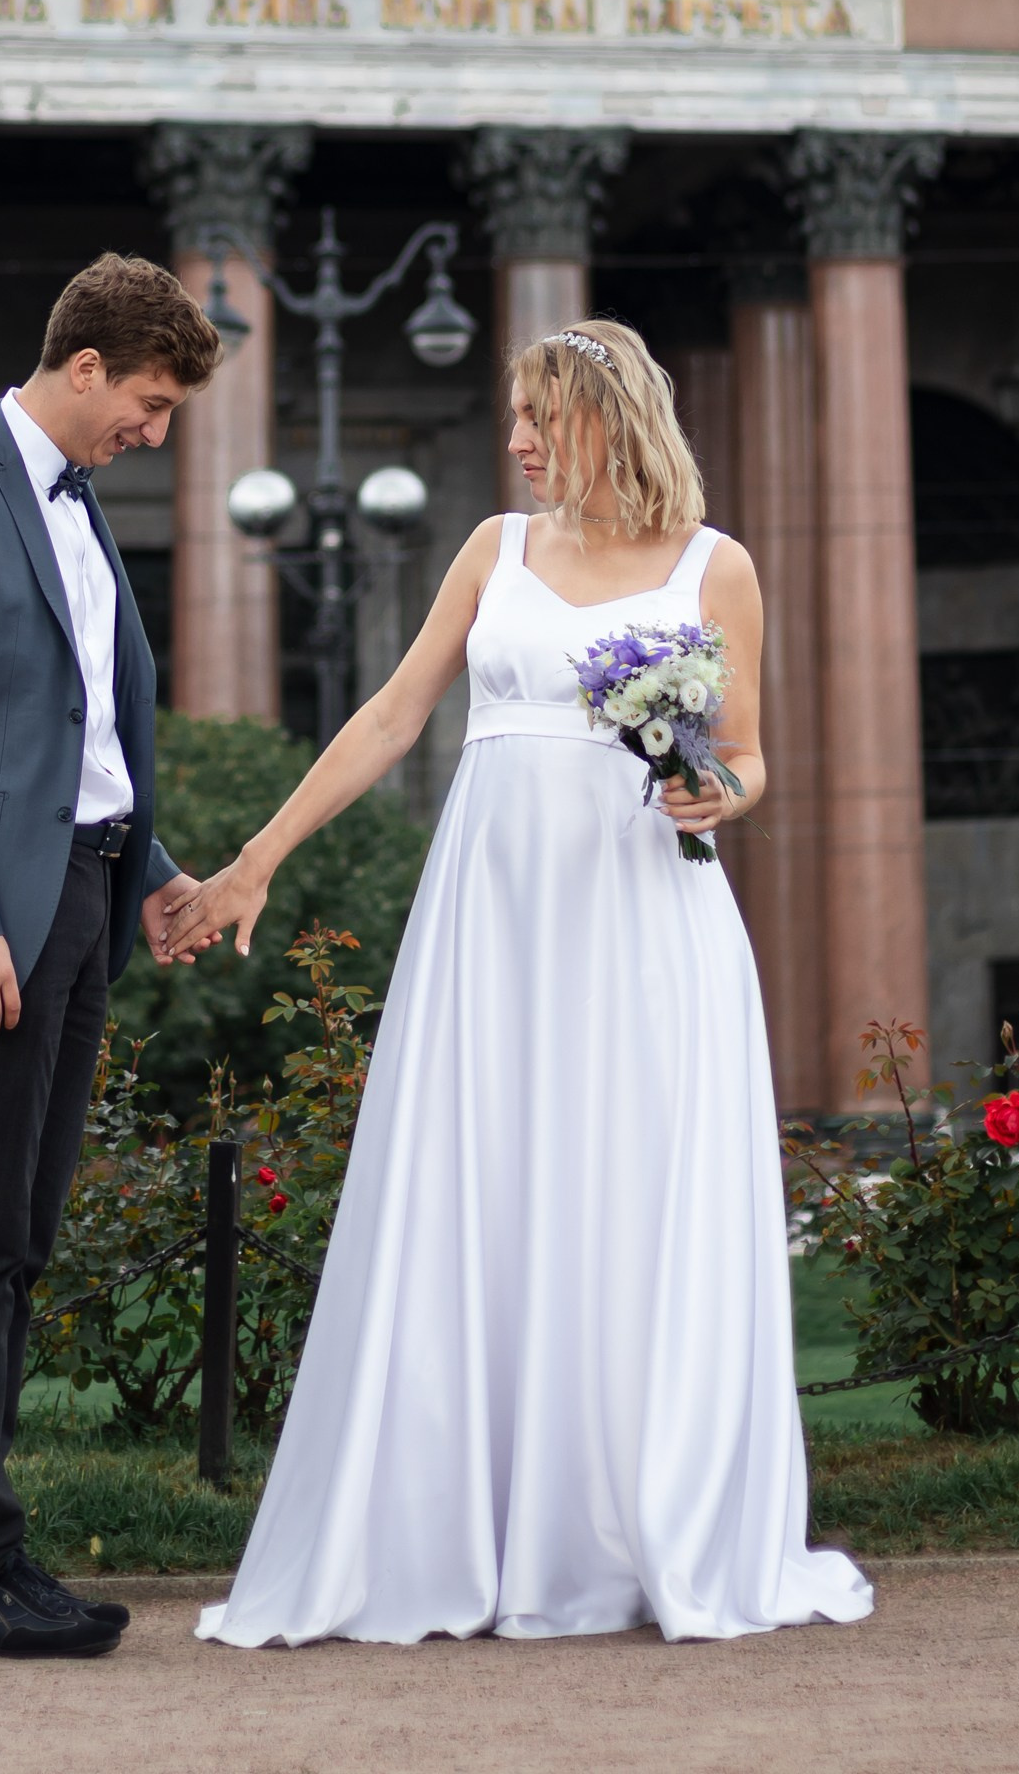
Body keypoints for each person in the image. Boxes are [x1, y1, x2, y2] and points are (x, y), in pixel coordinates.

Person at [167, 320, 874, 1648]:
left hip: (649, 922)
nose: (515, 440)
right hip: (493, 925)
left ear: (602, 416)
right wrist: (258, 857)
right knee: (484, 1188)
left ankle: (629, 1525)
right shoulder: (495, 551)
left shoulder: (720, 569)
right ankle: (469, 1525)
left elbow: (754, 756)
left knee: (631, 1201)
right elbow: (390, 713)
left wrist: (716, 789)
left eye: (534, 415)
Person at [0, 254, 224, 1659]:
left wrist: (153, 866)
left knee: (21, 1240)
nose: (155, 430)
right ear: (83, 370)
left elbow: (84, 737)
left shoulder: (80, 510)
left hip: (79, 896)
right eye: (147, 401)